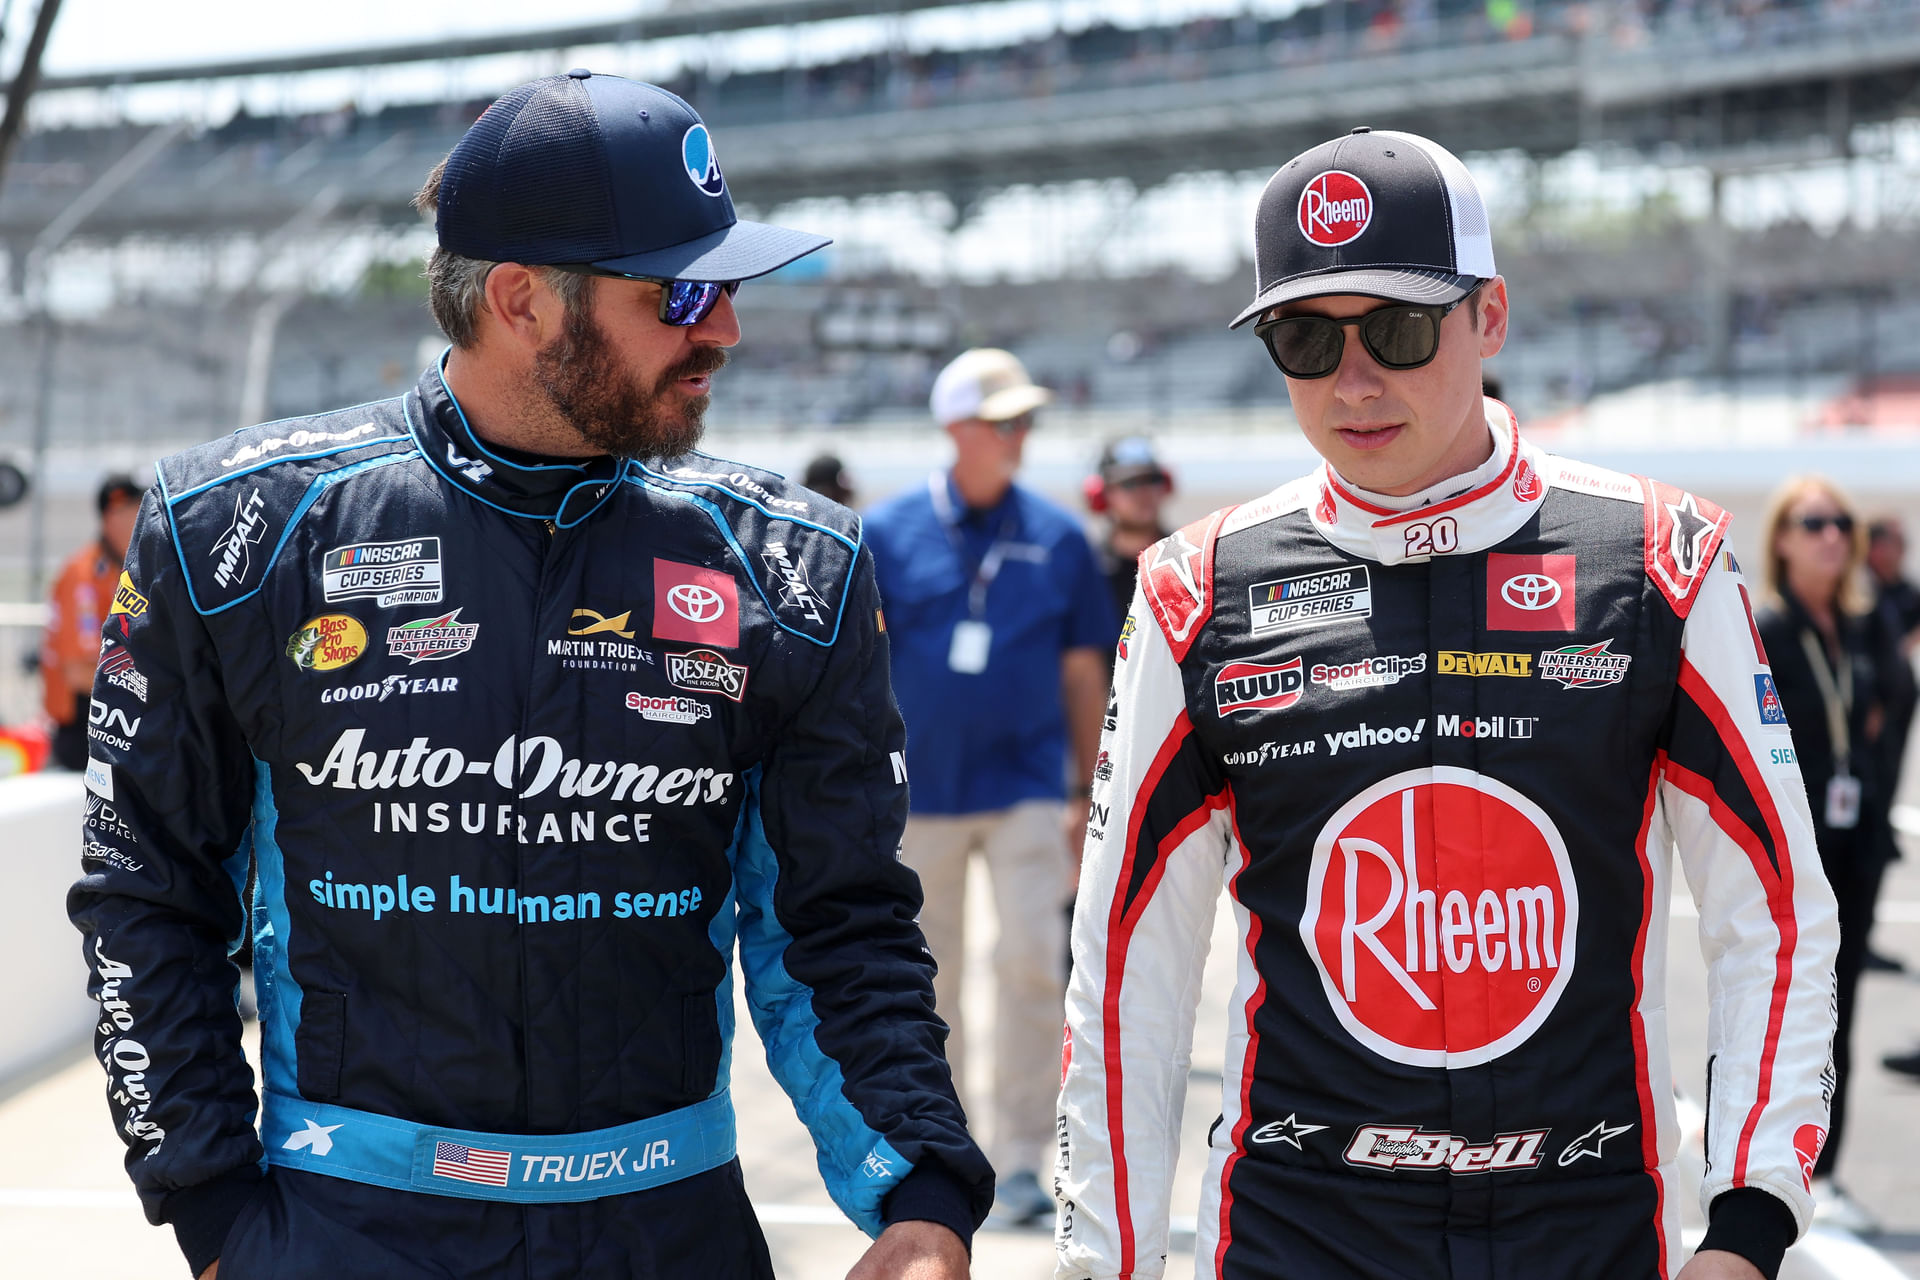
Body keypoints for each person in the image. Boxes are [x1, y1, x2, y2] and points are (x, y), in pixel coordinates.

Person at [68, 71, 989, 1280]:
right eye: (683, 290)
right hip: (347, 1228)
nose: (725, 330)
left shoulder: (794, 565)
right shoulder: (235, 530)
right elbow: (146, 892)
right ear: (520, 301)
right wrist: (212, 1213)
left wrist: (918, 1193)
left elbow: (839, 919)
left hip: (665, 1230)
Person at [1055, 127, 1839, 1280]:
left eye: (1400, 330)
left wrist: (1749, 1225)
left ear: (1493, 317)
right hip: (1302, 1227)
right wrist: (1098, 1265)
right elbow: (1127, 966)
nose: (1353, 380)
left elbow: (1772, 909)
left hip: (1589, 1220)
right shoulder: (1194, 589)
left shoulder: (1660, 559)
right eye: (1306, 338)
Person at [864, 347, 1115, 1226]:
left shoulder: (1056, 539)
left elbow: (1085, 673)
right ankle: (947, 1150)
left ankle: (1018, 1162)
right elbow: (857, 673)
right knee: (928, 983)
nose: (1021, 435)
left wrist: (1093, 792)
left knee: (1031, 970)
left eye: (1026, 420)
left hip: (1026, 789)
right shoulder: (884, 534)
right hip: (916, 795)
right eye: (1003, 420)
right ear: (954, 427)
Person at [1751, 478, 1892, 1233]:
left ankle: (1823, 1167)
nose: (1832, 536)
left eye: (1843, 522)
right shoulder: (1765, 630)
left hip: (1860, 843)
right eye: (1814, 524)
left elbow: (1886, 708)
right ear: (1781, 539)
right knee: (1785, 1009)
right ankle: (1767, 1161)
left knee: (1845, 1009)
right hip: (1792, 850)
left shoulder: (1863, 629)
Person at [41, 474, 141, 771]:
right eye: (138, 509)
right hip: (84, 727)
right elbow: (79, 672)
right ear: (114, 515)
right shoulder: (83, 573)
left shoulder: (128, 569)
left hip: (115, 716)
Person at [1085, 436, 1174, 636]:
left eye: (1151, 480)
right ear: (1102, 495)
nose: (1143, 493)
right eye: (1129, 483)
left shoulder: (1190, 563)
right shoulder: (1088, 570)